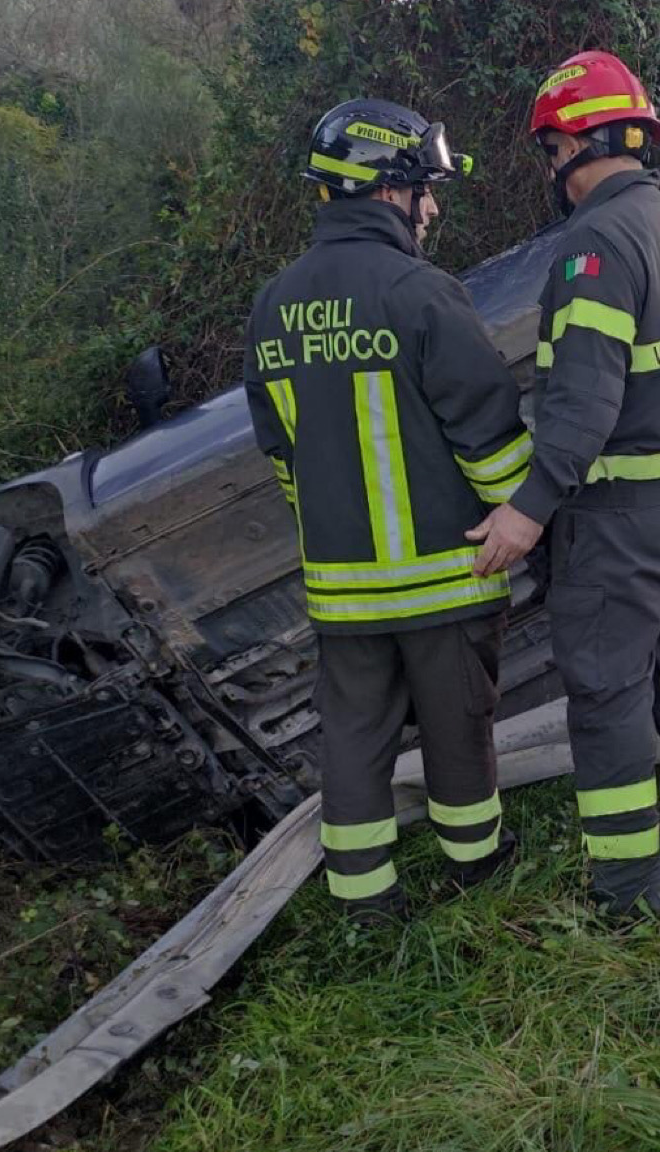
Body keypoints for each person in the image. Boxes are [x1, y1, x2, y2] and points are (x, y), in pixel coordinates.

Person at [463, 50, 660, 918]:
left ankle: (629, 891)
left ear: (569, 144)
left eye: (549, 152)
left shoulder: (595, 245)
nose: (551, 170)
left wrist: (527, 510)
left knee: (608, 695)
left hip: (618, 515)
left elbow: (585, 400)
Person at [243, 99, 529, 926]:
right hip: (447, 575)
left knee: (354, 744)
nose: (432, 207)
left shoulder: (272, 308)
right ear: (385, 189)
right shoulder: (419, 292)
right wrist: (527, 514)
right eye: (423, 189)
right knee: (458, 730)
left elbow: (282, 455)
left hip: (343, 591)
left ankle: (365, 903)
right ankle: (478, 871)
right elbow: (489, 431)